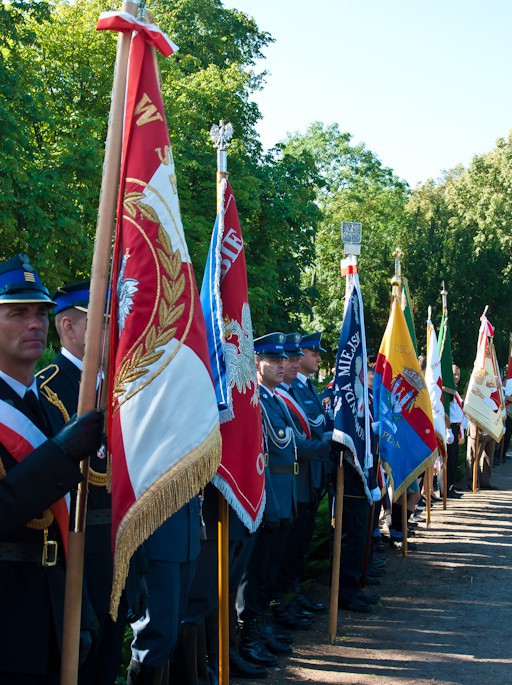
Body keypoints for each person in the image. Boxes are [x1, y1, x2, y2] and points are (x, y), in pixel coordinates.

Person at [0, 254, 103, 684]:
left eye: (40, 313)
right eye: (17, 312)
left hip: (50, 597)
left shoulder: (39, 404)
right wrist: (61, 454)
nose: (35, 323)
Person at [37, 281, 130, 685]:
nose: (114, 330)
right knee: (79, 657)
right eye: (102, 322)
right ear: (69, 329)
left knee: (110, 651)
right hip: (75, 543)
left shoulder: (120, 390)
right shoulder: (49, 388)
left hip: (116, 543)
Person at [446, 364, 464, 498]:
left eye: (458, 374)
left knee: (454, 459)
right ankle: (446, 488)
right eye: (454, 374)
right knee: (449, 459)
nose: (456, 377)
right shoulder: (447, 391)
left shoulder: (455, 390)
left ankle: (452, 486)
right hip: (449, 426)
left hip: (456, 426)